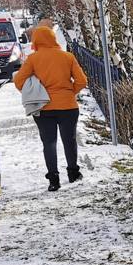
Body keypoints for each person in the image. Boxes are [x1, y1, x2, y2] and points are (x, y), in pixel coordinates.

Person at [13, 26, 88, 191]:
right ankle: (73, 173)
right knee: (69, 140)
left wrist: (36, 92)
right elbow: (82, 81)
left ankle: (53, 179)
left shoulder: (33, 59)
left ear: (36, 41)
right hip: (68, 106)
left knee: (49, 143)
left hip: (43, 107)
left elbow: (19, 81)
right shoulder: (67, 57)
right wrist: (69, 92)